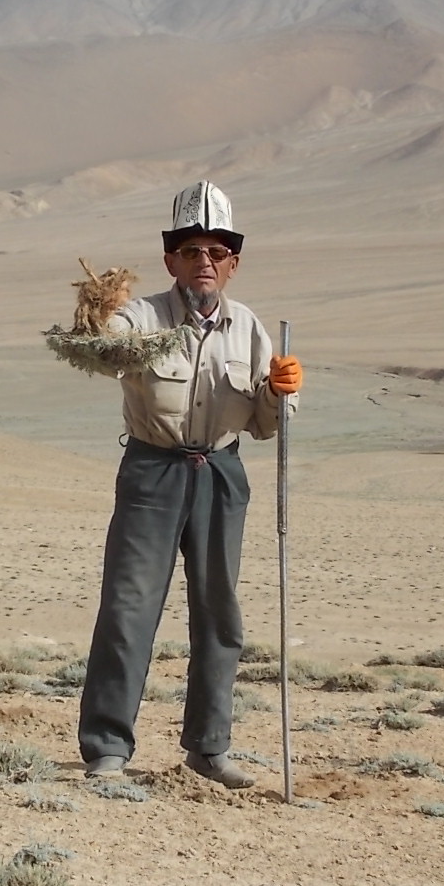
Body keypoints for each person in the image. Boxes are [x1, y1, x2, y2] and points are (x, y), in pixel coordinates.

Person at [78, 180, 301, 789]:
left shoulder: (250, 328)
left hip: (222, 474)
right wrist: (97, 314)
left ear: (232, 263)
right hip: (152, 472)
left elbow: (261, 427)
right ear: (171, 258)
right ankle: (106, 750)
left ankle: (209, 747)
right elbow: (105, 349)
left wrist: (280, 395)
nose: (205, 261)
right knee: (129, 608)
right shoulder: (141, 316)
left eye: (217, 251)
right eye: (191, 249)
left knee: (219, 613)